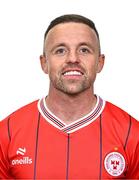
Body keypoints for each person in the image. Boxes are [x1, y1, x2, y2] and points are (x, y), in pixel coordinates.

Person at [0, 14, 139, 179]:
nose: (73, 59)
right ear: (44, 63)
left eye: (84, 50)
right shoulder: (7, 133)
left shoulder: (132, 134)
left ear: (100, 62)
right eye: (60, 50)